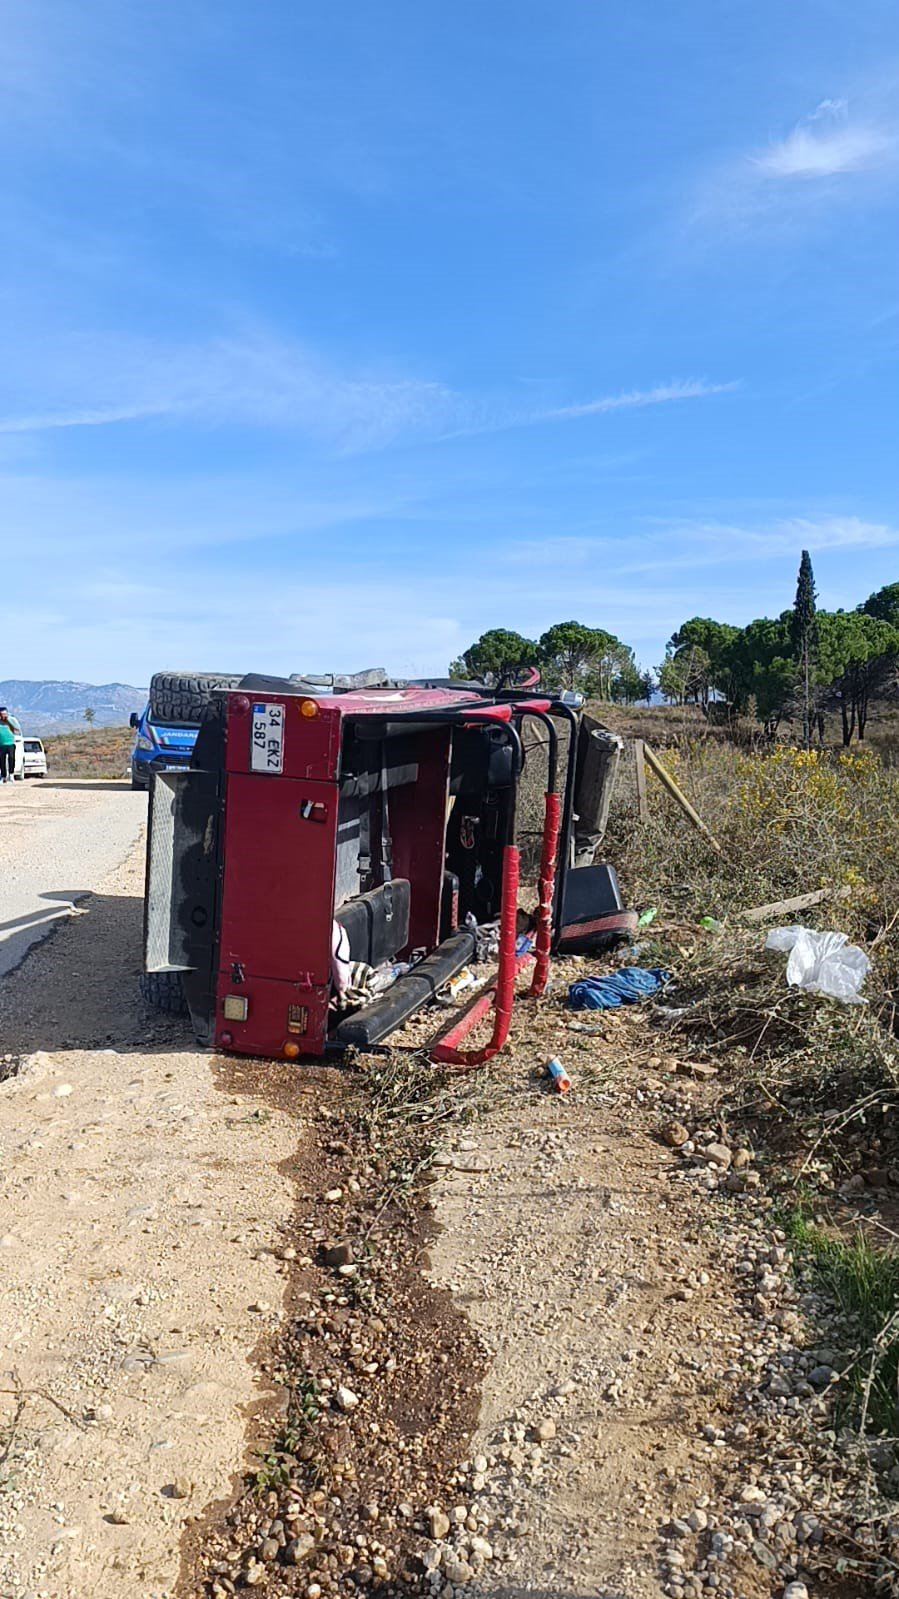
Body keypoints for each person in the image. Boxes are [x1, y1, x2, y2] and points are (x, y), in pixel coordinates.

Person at [0, 707, 19, 783]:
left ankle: (11, 774)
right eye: (2, 714)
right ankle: (3, 776)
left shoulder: (12, 719)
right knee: (2, 760)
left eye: (5, 714)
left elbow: (17, 728)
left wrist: (8, 720)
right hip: (1, 744)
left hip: (10, 743)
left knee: (11, 758)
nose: (3, 715)